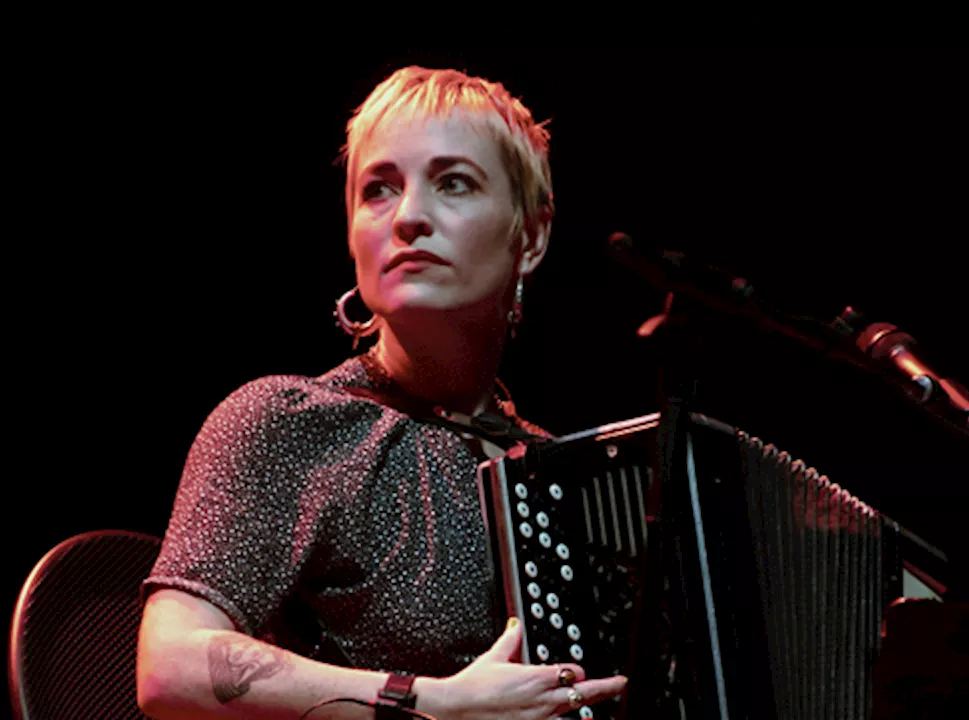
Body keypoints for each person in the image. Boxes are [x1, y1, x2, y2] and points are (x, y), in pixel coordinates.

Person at [136, 66, 628, 719]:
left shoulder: (574, 475)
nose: (409, 217)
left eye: (454, 183)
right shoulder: (292, 425)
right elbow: (169, 668)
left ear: (530, 237)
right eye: (379, 190)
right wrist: (429, 705)